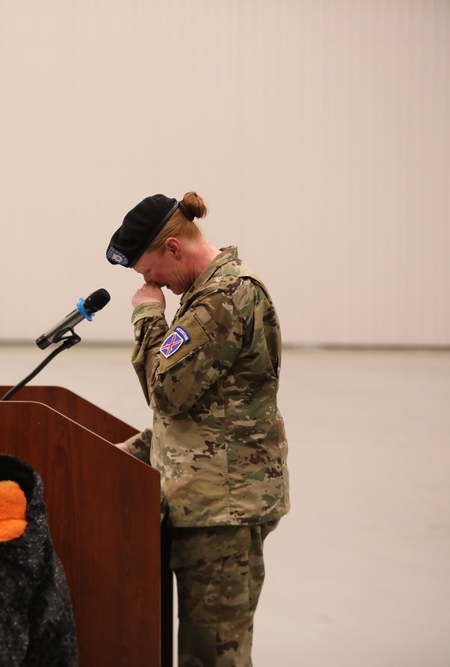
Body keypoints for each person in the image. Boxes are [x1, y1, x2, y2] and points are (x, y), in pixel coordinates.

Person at [106, 192, 290, 667]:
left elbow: (166, 391)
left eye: (149, 273)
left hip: (222, 510)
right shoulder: (206, 297)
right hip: (210, 501)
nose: (152, 286)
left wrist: (147, 315)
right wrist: (130, 451)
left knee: (212, 658)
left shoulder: (224, 298)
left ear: (173, 248)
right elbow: (207, 412)